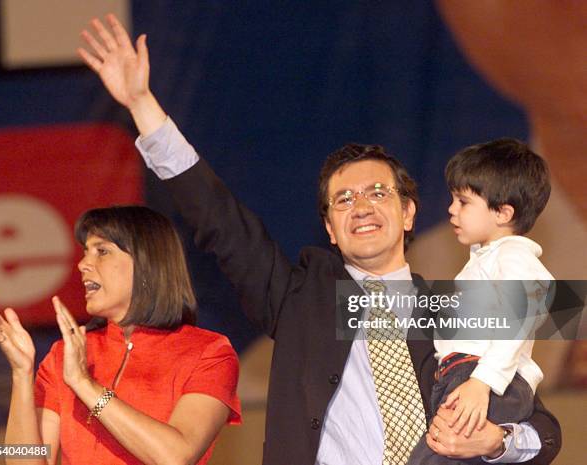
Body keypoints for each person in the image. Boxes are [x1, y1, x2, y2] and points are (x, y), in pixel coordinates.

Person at [78, 14, 561, 465]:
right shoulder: (296, 299)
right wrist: (142, 104)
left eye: (378, 193)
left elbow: (545, 429)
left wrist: (498, 441)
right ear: (329, 228)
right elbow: (216, 216)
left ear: (410, 212)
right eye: (344, 200)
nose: (363, 206)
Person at [0, 206, 241, 465]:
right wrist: (21, 373)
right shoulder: (65, 354)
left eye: (102, 251)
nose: (83, 264)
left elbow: (175, 456)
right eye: (86, 252)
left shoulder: (209, 353)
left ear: (146, 264)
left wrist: (85, 384)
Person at [408, 140, 554, 464]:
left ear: (503, 212)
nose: (451, 209)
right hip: (463, 377)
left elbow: (527, 308)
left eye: (463, 201)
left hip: (482, 379)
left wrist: (482, 381)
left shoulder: (513, 255)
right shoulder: (485, 259)